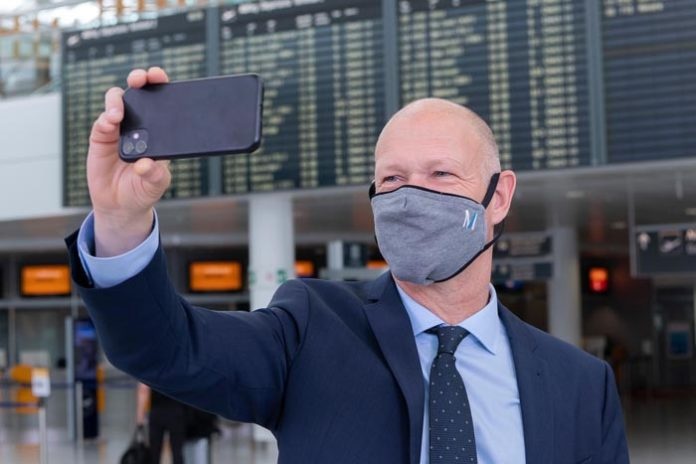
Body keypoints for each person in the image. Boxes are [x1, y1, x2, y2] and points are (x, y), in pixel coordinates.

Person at [66, 67, 629, 463]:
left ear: (498, 197)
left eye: (441, 175)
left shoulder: (580, 384)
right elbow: (167, 349)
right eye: (392, 179)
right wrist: (119, 221)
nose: (412, 197)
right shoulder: (312, 329)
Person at [136, 383, 187, 464]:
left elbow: (144, 390)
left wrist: (140, 417)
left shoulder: (153, 370)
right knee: (177, 451)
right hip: (176, 412)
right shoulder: (180, 370)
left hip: (157, 413)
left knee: (154, 453)